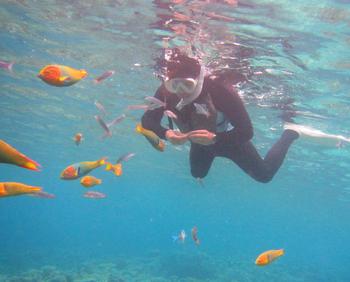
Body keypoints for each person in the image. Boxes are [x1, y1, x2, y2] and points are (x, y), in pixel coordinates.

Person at [141, 48, 346, 183]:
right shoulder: (166, 92)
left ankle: (291, 132)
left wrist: (215, 139)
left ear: (199, 79)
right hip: (198, 140)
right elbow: (147, 121)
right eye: (173, 84)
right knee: (198, 174)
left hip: (228, 138)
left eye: (186, 84)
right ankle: (210, 152)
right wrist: (167, 134)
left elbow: (246, 131)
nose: (180, 91)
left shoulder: (219, 88)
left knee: (264, 175)